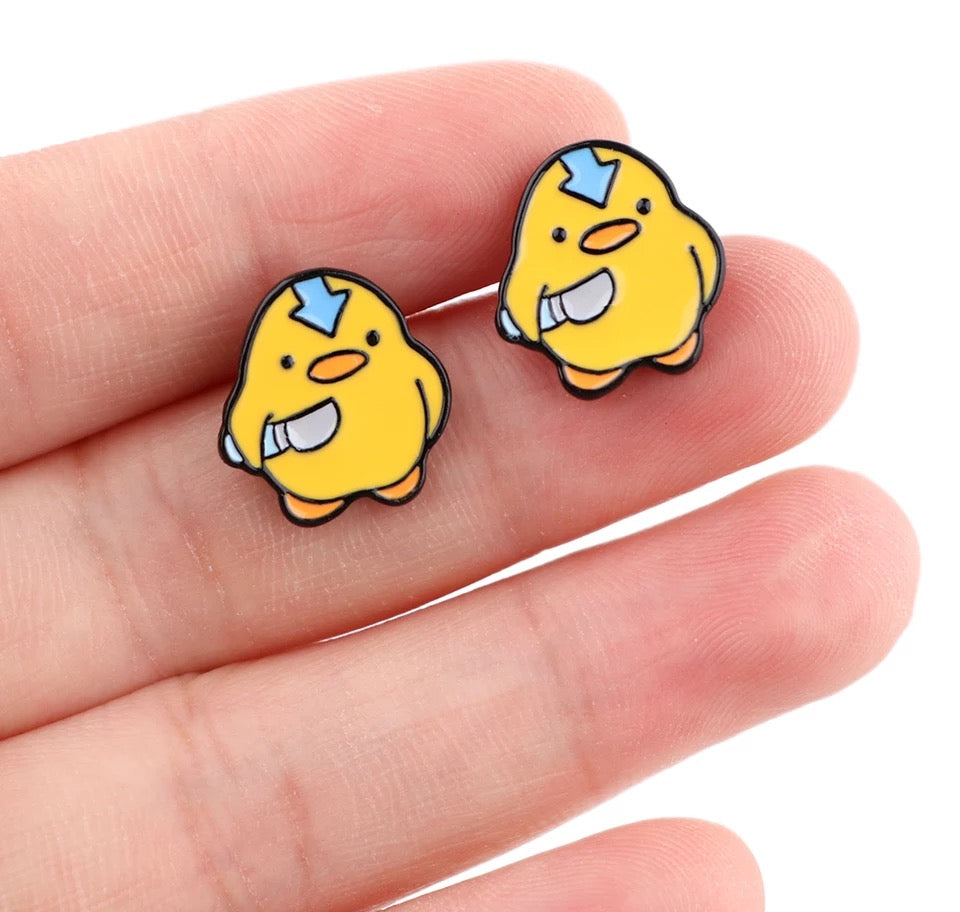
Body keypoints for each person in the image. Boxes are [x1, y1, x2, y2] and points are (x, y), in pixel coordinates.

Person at [0, 62, 917, 911]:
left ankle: (550, 388)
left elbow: (498, 339)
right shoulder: (314, 388)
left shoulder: (649, 265)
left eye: (361, 345)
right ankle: (358, 474)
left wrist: (543, 317)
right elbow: (256, 425)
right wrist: (262, 441)